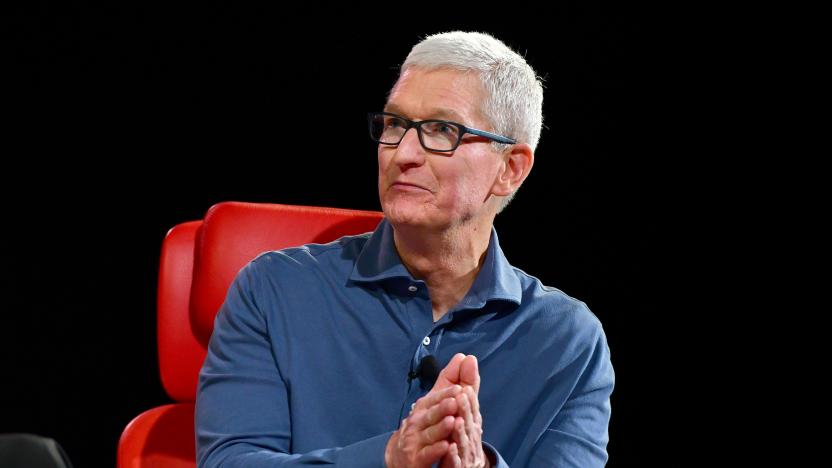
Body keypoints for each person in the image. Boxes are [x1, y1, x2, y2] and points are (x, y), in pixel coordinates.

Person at [196, 31, 614, 467]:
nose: (403, 153)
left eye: (441, 130)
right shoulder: (273, 291)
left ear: (510, 169)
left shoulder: (568, 342)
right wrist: (389, 459)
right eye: (395, 124)